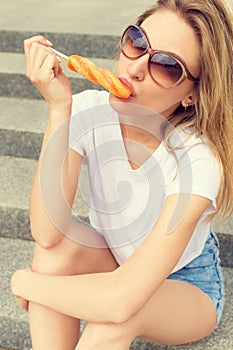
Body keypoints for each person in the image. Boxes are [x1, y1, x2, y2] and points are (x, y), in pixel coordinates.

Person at [11, 0, 233, 349]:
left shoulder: (198, 159)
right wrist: (59, 109)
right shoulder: (87, 109)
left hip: (187, 283)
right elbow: (46, 232)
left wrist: (26, 283)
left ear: (192, 94)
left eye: (167, 66)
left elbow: (120, 301)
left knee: (115, 319)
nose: (137, 68)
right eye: (137, 43)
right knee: (53, 256)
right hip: (116, 259)